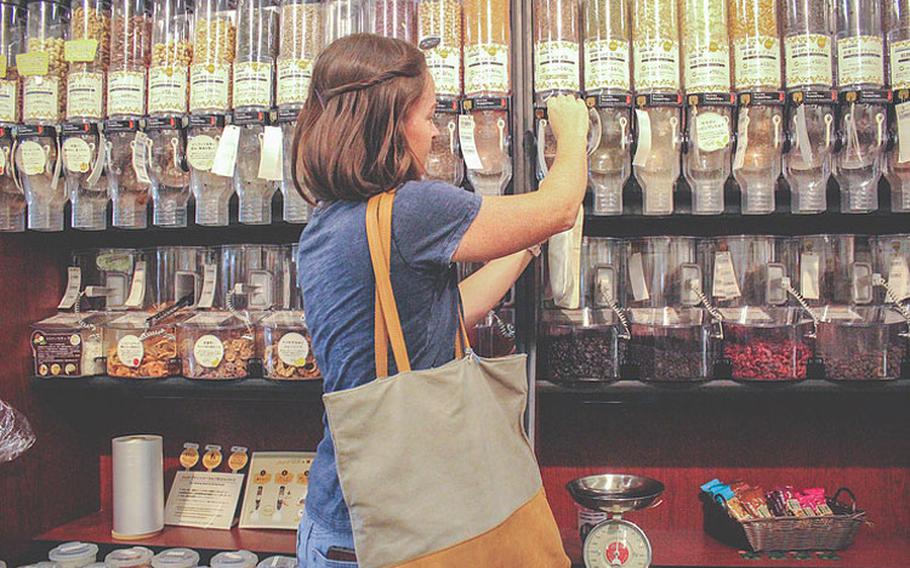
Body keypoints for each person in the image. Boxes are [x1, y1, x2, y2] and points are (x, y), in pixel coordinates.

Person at [292, 33, 589, 567]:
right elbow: (561, 204)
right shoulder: (411, 210)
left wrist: (525, 248)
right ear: (390, 121)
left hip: (336, 523)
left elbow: (446, 315)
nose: (434, 133)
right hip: (389, 537)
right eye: (428, 116)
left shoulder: (330, 222)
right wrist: (572, 132)